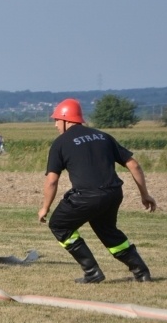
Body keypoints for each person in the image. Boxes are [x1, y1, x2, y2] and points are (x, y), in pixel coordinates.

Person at [37, 98, 156, 283]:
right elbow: (134, 165)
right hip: (113, 193)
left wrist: (45, 207)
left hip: (87, 196)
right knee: (108, 231)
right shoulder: (103, 136)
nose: (55, 125)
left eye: (56, 120)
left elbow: (52, 180)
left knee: (59, 225)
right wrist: (145, 194)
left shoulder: (60, 143)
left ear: (66, 119)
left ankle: (92, 272)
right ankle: (141, 272)